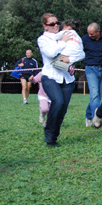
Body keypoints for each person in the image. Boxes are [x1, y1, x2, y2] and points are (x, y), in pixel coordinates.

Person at [37, 13, 85, 146]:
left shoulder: (68, 35)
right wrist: (63, 41)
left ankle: (53, 136)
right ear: (45, 26)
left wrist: (71, 59)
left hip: (67, 79)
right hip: (50, 76)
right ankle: (49, 135)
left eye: (57, 23)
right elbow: (51, 54)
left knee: (62, 109)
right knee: (58, 102)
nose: (56, 26)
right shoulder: (43, 39)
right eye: (52, 24)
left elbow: (81, 53)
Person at [82, 23, 102, 127]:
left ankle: (89, 116)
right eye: (88, 33)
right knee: (94, 95)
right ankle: (97, 119)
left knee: (98, 96)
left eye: (92, 34)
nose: (89, 36)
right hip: (90, 68)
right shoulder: (84, 39)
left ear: (98, 32)